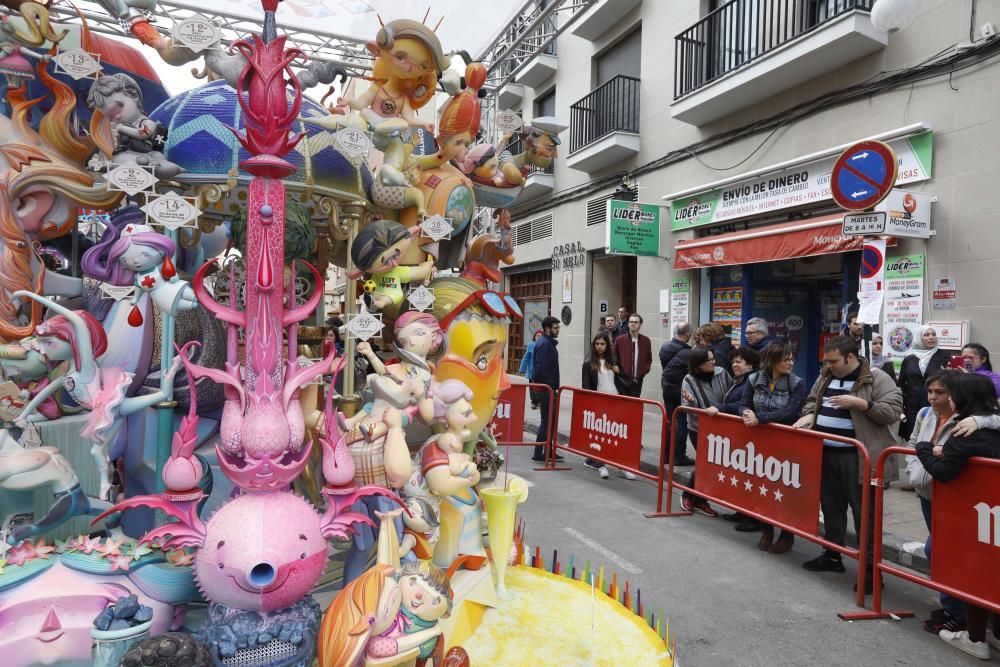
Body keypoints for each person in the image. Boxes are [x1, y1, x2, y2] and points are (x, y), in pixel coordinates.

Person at [795, 336, 902, 593]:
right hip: (826, 452)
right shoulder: (826, 376)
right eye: (826, 361)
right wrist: (810, 414)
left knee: (865, 514)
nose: (828, 366)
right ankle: (832, 555)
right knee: (831, 507)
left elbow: (893, 411)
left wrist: (862, 404)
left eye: (833, 361)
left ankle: (870, 570)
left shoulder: (877, 378)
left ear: (850, 357)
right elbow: (812, 400)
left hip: (859, 457)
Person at [901, 370, 1000, 635]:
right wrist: (916, 468)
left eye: (942, 392)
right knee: (948, 553)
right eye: (930, 391)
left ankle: (964, 619)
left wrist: (983, 422)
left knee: (951, 554)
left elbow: (944, 468)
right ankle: (960, 612)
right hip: (930, 493)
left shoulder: (970, 424)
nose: (934, 398)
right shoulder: (925, 414)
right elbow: (913, 443)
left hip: (964, 504)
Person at [741, 342, 807, 553]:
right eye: (785, 359)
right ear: (771, 360)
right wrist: (746, 413)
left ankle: (787, 534)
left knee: (785, 491)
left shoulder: (796, 383)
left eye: (791, 358)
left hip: (786, 444)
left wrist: (759, 418)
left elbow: (789, 412)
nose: (790, 362)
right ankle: (766, 529)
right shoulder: (753, 379)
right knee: (763, 489)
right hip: (760, 444)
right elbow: (743, 403)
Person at [692, 345, 759, 527]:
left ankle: (752, 517)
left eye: (739, 362)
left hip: (749, 435)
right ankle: (742, 511)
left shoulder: (751, 381)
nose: (734, 365)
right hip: (738, 435)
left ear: (750, 365)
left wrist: (720, 408)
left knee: (750, 477)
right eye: (733, 362)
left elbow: (743, 404)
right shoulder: (739, 380)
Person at [680, 346, 733, 517]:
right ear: (698, 364)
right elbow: (686, 408)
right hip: (699, 428)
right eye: (708, 360)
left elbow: (732, 394)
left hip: (723, 427)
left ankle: (700, 499)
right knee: (705, 463)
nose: (713, 361)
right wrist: (689, 402)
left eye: (713, 358)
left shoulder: (722, 373)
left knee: (712, 464)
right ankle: (688, 495)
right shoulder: (689, 380)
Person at [581, 333, 635, 481]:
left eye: (602, 344)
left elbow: (625, 377)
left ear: (607, 345)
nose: (599, 347)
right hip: (600, 403)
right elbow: (586, 386)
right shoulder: (588, 363)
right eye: (597, 344)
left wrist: (619, 371)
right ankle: (601, 464)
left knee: (616, 436)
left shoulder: (613, 361)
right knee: (602, 436)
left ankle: (621, 466)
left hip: (616, 401)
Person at [899, 325, 951, 440]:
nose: (931, 337)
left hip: (936, 404)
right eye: (926, 335)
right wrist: (902, 403)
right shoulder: (909, 359)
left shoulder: (944, 357)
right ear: (919, 338)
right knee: (913, 439)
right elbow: (902, 383)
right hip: (912, 405)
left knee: (933, 438)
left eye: (933, 334)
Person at [660, 323, 694, 466]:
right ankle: (678, 455)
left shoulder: (665, 347)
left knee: (669, 421)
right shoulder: (688, 353)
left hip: (667, 388)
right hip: (680, 390)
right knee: (681, 422)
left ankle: (667, 454)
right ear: (688, 334)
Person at [532, 316, 563, 463]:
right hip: (546, 389)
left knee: (550, 421)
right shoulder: (545, 344)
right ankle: (539, 452)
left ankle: (548, 451)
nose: (558, 331)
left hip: (547, 388)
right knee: (547, 421)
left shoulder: (546, 343)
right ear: (548, 329)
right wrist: (552, 387)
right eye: (556, 328)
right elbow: (541, 370)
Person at [612, 313, 652, 397]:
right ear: (628, 324)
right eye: (631, 322)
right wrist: (617, 369)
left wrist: (643, 372)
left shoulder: (646, 341)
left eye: (636, 322)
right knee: (623, 405)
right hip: (623, 380)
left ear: (640, 324)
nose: (633, 324)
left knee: (635, 404)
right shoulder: (620, 340)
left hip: (638, 380)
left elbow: (649, 359)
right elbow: (613, 356)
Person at [519, 329, 543, 409]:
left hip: (540, 371)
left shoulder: (544, 345)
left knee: (540, 387)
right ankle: (534, 402)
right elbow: (526, 358)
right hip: (531, 371)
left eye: (540, 336)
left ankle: (539, 401)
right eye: (537, 336)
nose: (539, 337)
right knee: (532, 387)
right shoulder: (530, 345)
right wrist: (522, 369)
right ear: (534, 337)